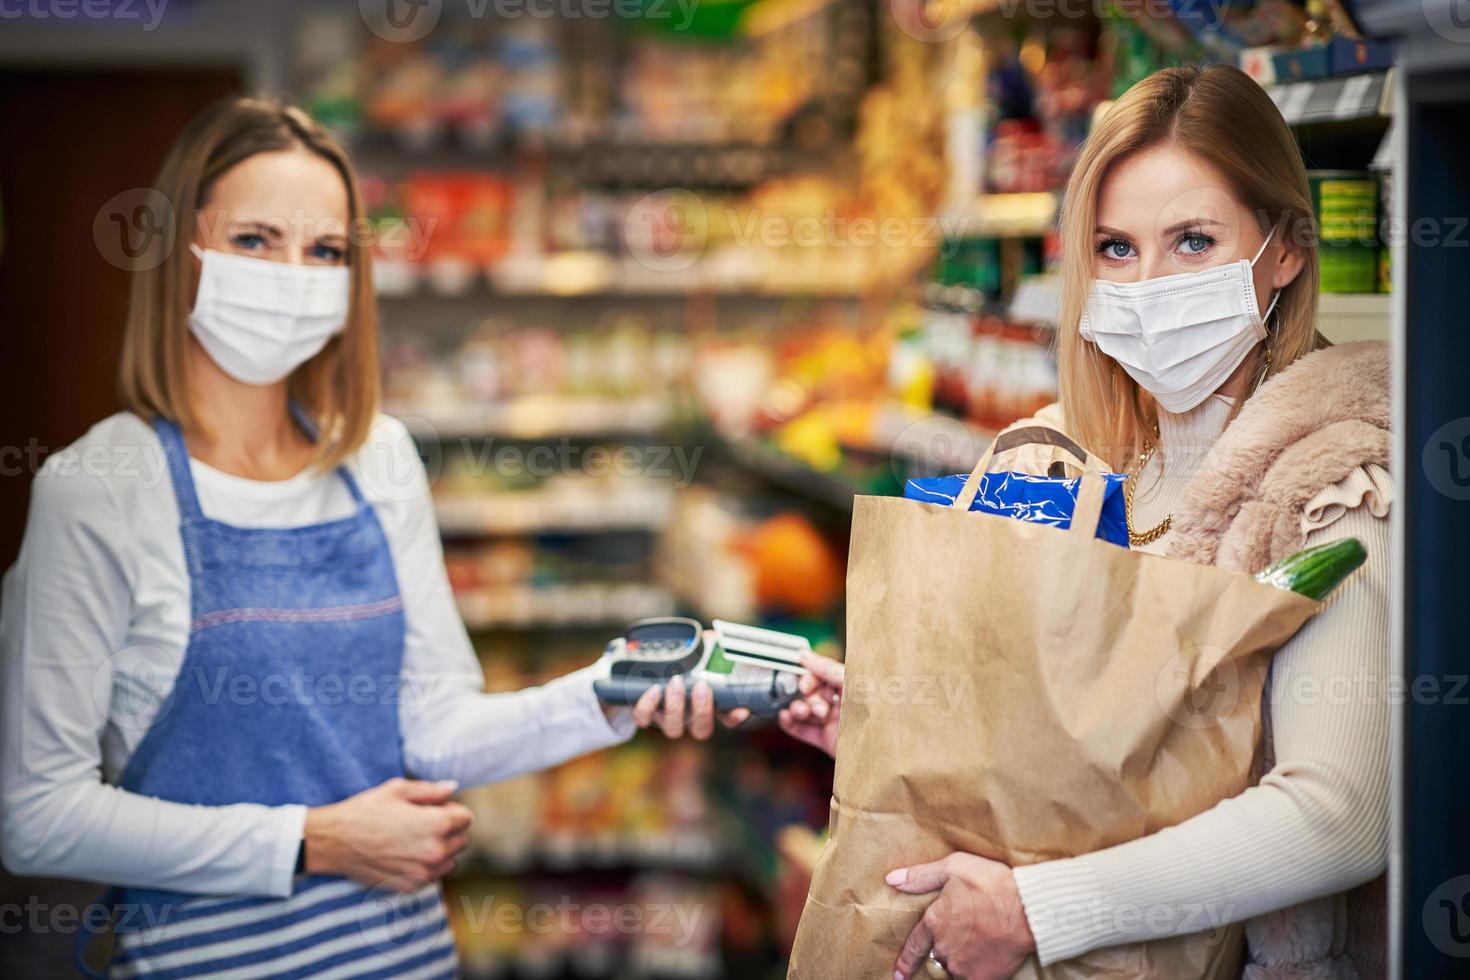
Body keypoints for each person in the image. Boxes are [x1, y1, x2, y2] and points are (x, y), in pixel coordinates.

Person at [0, 96, 734, 978]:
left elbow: (434, 733)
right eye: (255, 240)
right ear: (180, 252)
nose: (292, 272)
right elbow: (37, 814)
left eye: (326, 251)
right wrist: (317, 841)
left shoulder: (375, 458)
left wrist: (608, 695)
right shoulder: (97, 490)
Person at [781, 64, 1390, 980]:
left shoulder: (1330, 484)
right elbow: (1070, 752)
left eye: (1192, 242)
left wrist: (1037, 912)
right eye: (1115, 249)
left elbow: (1341, 814)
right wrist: (902, 728)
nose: (1147, 284)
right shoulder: (1068, 467)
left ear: (1287, 249)